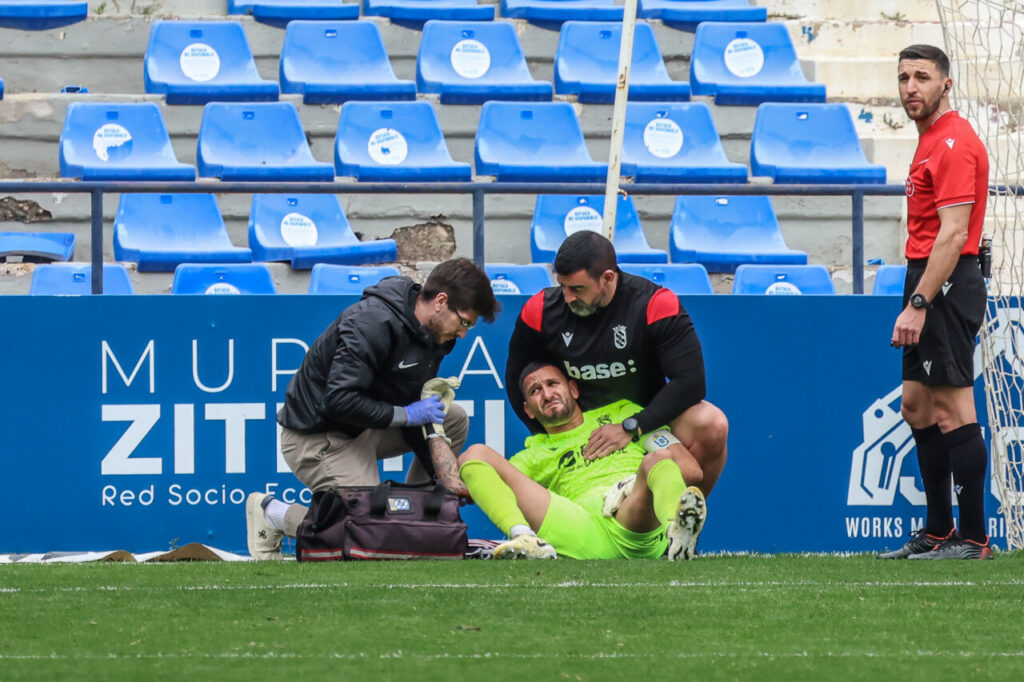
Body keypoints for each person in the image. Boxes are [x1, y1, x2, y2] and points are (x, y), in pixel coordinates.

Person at [246, 258, 500, 560]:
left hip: (367, 427)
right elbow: (338, 400)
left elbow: (419, 413)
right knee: (372, 536)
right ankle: (273, 513)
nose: (463, 335)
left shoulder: (436, 334)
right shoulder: (370, 323)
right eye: (465, 322)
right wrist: (407, 415)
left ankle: (417, 523)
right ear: (441, 302)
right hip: (318, 436)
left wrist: (442, 475)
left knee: (452, 418)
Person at [505, 230, 727, 498]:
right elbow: (517, 382)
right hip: (579, 423)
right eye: (562, 286)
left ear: (608, 278)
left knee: (712, 423)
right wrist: (558, 436)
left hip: (643, 416)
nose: (567, 297)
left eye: (577, 289)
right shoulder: (539, 310)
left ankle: (681, 524)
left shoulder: (655, 304)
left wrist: (632, 426)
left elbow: (691, 383)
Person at [880, 45, 992, 560]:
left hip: (943, 281)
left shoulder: (951, 142)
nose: (910, 88)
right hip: (925, 277)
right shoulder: (930, 141)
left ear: (945, 84)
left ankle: (973, 538)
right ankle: (939, 530)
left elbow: (952, 235)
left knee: (951, 407)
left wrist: (920, 301)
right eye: (904, 77)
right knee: (916, 405)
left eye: (922, 77)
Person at [456, 362, 707, 560]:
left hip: (633, 518)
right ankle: (524, 539)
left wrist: (632, 485)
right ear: (529, 410)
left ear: (573, 389)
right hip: (579, 529)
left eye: (553, 384)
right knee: (475, 454)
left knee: (659, 459)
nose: (546, 394)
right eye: (535, 391)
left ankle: (678, 534)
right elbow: (477, 483)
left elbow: (690, 470)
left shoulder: (624, 416)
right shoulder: (532, 454)